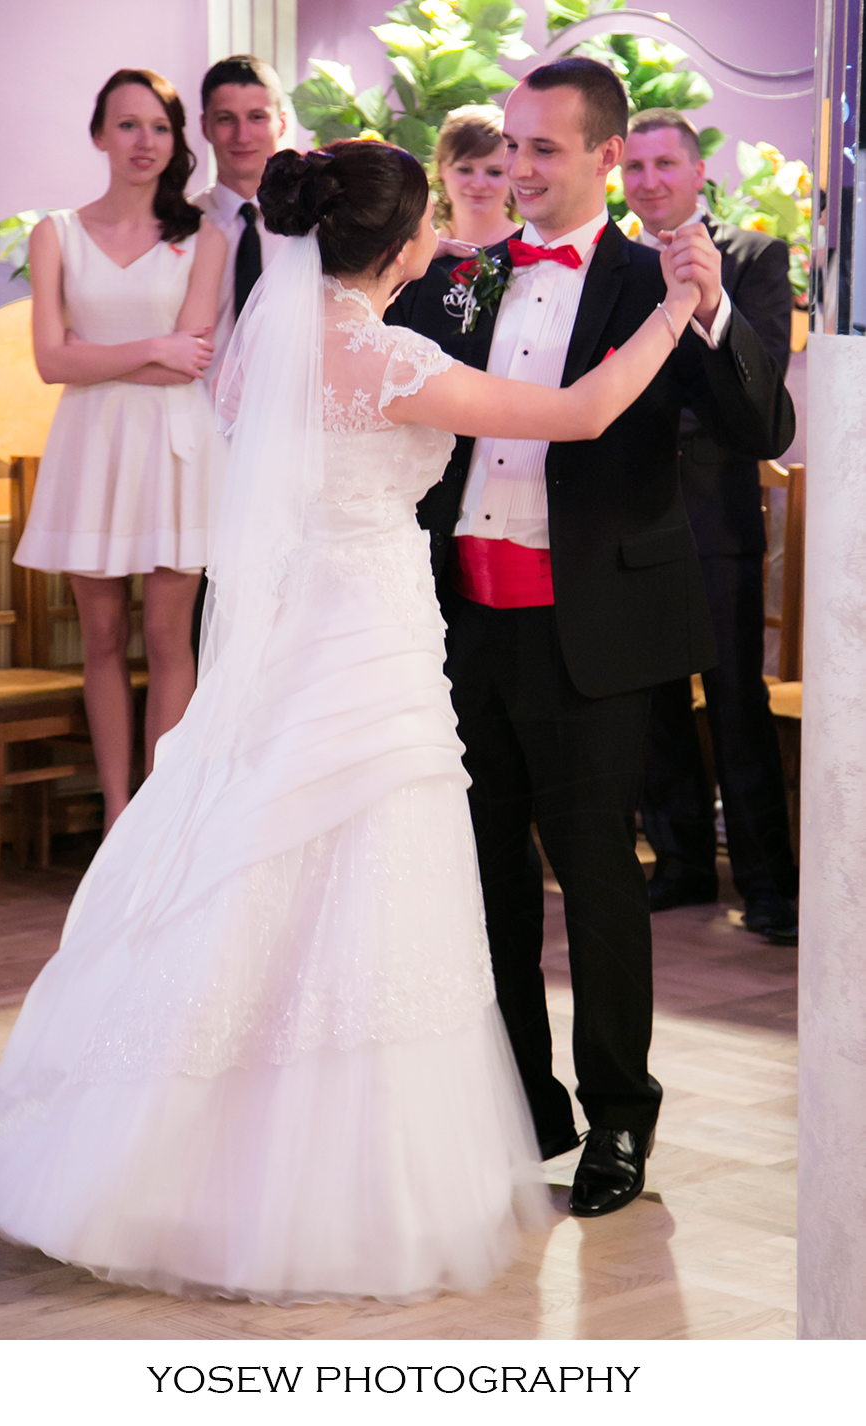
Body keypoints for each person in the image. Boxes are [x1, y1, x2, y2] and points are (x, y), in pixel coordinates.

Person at [0, 138, 706, 1303]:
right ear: (400, 243)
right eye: (428, 221)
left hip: (289, 635)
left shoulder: (263, 349)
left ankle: (175, 1148)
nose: (440, 234)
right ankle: (338, 1181)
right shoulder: (389, 359)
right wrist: (672, 311)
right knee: (367, 872)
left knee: (258, 868)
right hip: (369, 635)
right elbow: (579, 411)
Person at [388, 58, 795, 1218]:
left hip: (595, 630)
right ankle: (521, 1102)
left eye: (542, 149)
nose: (516, 169)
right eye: (508, 146)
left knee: (600, 882)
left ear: (606, 158)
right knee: (487, 876)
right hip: (456, 623)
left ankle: (618, 1114)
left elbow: (759, 425)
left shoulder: (647, 281)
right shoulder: (460, 278)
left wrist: (706, 310)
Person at [14, 69, 226, 834]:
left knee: (170, 638)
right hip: (91, 447)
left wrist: (97, 355)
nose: (145, 141)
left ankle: (158, 823)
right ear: (100, 135)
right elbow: (49, 362)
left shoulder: (204, 238)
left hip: (174, 447)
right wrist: (151, 346)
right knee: (100, 639)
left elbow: (188, 362)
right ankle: (115, 812)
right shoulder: (56, 234)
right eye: (129, 125)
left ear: (176, 141)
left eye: (160, 127)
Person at [621, 108, 799, 943]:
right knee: (653, 700)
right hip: (632, 514)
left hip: (714, 513)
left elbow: (760, 383)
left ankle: (767, 884)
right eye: (636, 167)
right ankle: (681, 861)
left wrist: (706, 305)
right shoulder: (615, 264)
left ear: (698, 174)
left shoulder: (754, 257)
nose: (649, 180)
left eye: (665, 165)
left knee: (735, 699)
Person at [191, 54, 288, 390]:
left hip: (290, 409)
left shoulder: (315, 229)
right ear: (205, 126)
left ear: (282, 123)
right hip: (199, 410)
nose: (242, 135)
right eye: (226, 119)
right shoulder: (180, 227)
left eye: (257, 117)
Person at [432, 105, 519, 255]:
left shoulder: (534, 250)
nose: (479, 184)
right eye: (465, 170)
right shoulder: (420, 255)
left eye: (494, 172)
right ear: (442, 169)